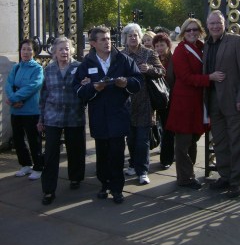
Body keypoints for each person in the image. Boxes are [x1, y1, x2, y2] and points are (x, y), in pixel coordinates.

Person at [73, 26, 142, 204]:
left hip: (119, 114)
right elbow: (78, 90)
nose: (108, 42)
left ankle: (117, 189)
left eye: (109, 38)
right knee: (102, 153)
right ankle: (104, 184)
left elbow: (138, 82)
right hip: (99, 117)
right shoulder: (86, 64)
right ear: (93, 43)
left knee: (117, 153)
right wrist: (92, 87)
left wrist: (126, 81)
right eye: (103, 39)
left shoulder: (123, 60)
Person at [166, 18, 225, 190]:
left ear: (200, 31)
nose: (192, 33)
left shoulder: (201, 47)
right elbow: (185, 77)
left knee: (193, 139)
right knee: (183, 143)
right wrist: (210, 78)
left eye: (195, 29)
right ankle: (184, 178)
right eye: (188, 30)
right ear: (183, 33)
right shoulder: (180, 51)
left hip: (198, 101)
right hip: (184, 102)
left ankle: (188, 174)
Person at [203, 10, 240, 198]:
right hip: (213, 100)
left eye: (218, 23)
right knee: (220, 142)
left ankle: (236, 181)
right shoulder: (207, 45)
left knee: (237, 142)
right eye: (212, 24)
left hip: (234, 101)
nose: (215, 26)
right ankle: (224, 176)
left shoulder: (237, 41)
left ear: (224, 24)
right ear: (207, 26)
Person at [38, 37, 86, 205]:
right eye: (61, 49)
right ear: (54, 52)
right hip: (53, 116)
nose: (64, 52)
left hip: (74, 115)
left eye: (67, 49)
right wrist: (41, 118)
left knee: (76, 149)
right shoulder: (49, 69)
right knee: (51, 154)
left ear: (71, 50)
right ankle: (49, 190)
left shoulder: (79, 67)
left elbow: (85, 91)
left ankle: (75, 177)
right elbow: (43, 95)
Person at [121, 23, 165, 185]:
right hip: (127, 103)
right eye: (130, 35)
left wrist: (150, 69)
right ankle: (132, 163)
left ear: (140, 37)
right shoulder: (121, 55)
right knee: (131, 139)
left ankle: (143, 170)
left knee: (142, 139)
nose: (133, 38)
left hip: (145, 102)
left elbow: (162, 72)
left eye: (135, 35)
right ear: (125, 38)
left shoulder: (148, 53)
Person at [5, 39, 44, 180]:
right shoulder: (16, 68)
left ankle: (39, 167)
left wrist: (14, 98)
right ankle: (25, 164)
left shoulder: (37, 69)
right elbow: (8, 84)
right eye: (23, 49)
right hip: (16, 111)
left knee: (34, 140)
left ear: (34, 52)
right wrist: (12, 99)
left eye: (29, 49)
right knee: (18, 139)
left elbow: (33, 86)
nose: (25, 52)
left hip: (31, 111)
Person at [152, 32, 175, 169]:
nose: (159, 48)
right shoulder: (153, 59)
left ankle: (167, 158)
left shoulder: (173, 59)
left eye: (162, 45)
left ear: (168, 45)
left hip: (169, 98)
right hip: (156, 98)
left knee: (168, 130)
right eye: (157, 45)